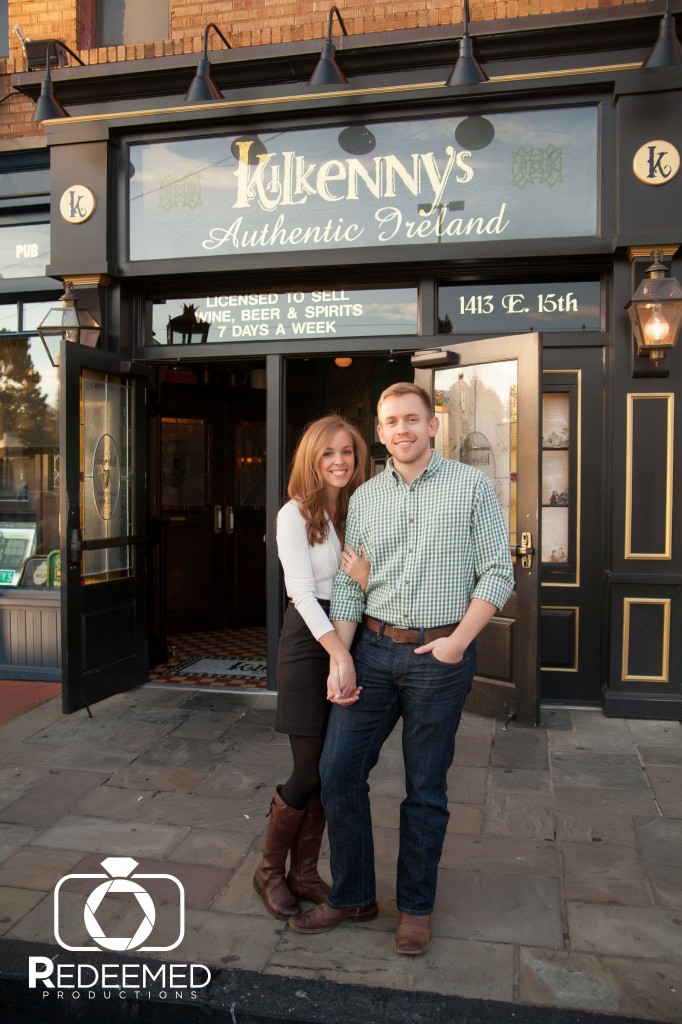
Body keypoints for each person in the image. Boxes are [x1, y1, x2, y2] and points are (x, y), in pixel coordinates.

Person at [289, 382, 514, 955]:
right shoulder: (365, 499)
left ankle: (415, 908)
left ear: (432, 425)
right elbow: (347, 585)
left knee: (425, 788)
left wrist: (458, 643)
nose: (401, 430)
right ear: (382, 432)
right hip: (372, 647)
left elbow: (497, 573)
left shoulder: (471, 487)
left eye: (411, 419)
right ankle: (354, 894)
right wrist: (341, 657)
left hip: (439, 658)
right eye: (390, 422)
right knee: (338, 771)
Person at [253, 415, 369, 919]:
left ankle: (305, 874)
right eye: (329, 453)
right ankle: (270, 872)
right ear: (312, 459)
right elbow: (300, 592)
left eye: (347, 452)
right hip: (309, 639)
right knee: (307, 768)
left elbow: (380, 576)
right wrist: (337, 654)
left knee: (333, 766)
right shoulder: (293, 515)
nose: (339, 461)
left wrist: (365, 578)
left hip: (353, 633)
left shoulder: (363, 509)